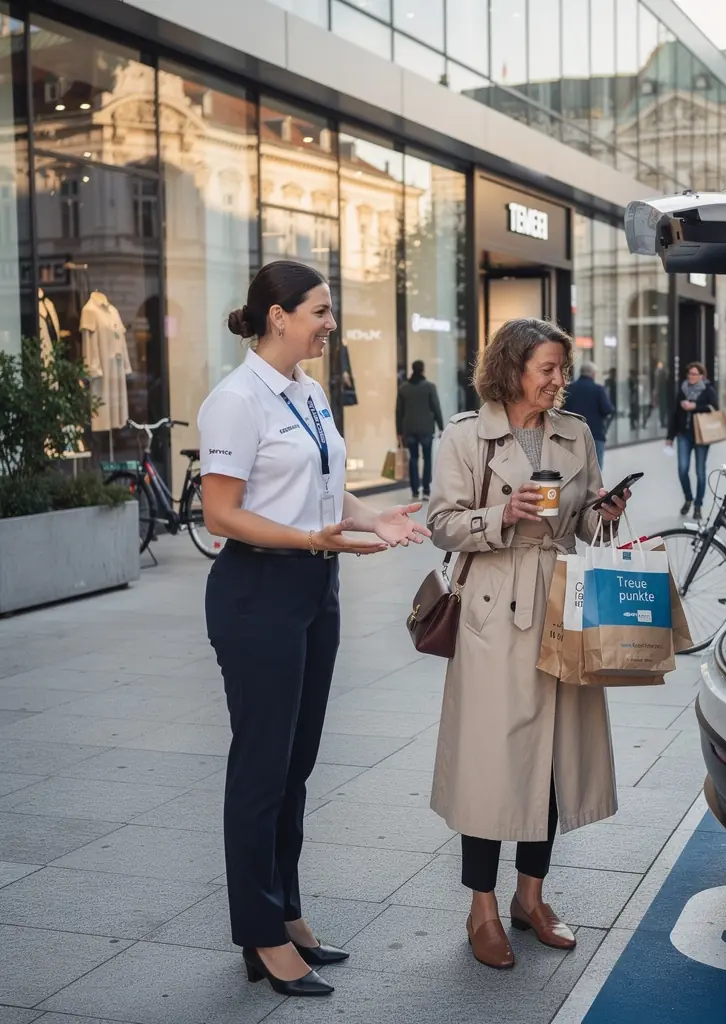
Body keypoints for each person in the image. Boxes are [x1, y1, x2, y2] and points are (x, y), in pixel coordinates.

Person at [199, 261, 430, 998]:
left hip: (313, 586)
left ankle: (287, 911)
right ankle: (261, 933)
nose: (331, 323)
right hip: (258, 589)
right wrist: (311, 542)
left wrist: (374, 518)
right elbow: (221, 514)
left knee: (295, 768)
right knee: (261, 768)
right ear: (278, 316)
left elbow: (327, 489)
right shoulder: (235, 401)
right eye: (322, 311)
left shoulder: (307, 391)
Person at [427, 318, 628, 971]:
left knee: (550, 760)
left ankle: (530, 899)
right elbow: (443, 525)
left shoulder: (576, 432)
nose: (558, 381)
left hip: (561, 601)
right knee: (491, 764)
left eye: (562, 370)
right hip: (493, 610)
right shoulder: (466, 436)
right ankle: (480, 908)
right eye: (548, 369)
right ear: (513, 368)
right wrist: (501, 516)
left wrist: (607, 511)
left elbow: (588, 520)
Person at [666, 361, 718, 520]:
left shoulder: (708, 390)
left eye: (695, 374)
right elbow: (675, 413)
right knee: (682, 469)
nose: (691, 377)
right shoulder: (682, 390)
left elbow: (714, 408)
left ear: (701, 375)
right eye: (689, 374)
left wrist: (694, 406)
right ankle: (689, 497)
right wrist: (670, 437)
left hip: (702, 436)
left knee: (700, 472)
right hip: (684, 434)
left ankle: (698, 505)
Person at [396, 359, 444, 500]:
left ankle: (415, 491)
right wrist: (441, 426)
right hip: (426, 429)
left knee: (413, 458)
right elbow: (436, 407)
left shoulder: (404, 388)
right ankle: (427, 490)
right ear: (422, 370)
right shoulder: (429, 387)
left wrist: (398, 431)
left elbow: (399, 411)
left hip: (409, 428)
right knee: (427, 458)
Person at [562, 360, 614, 468]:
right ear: (593, 374)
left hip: (573, 436)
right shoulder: (598, 390)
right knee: (596, 471)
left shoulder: (568, 389)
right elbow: (607, 409)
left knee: (575, 469)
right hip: (595, 435)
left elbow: (561, 411)